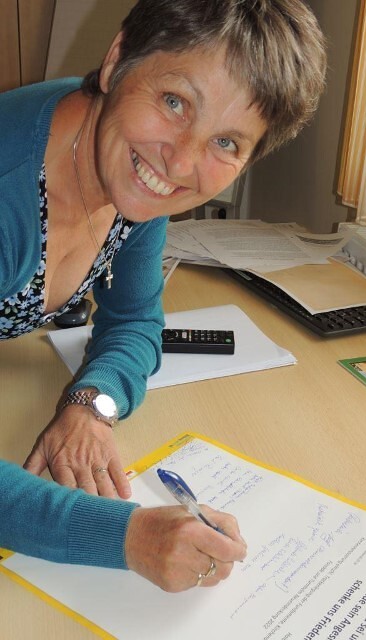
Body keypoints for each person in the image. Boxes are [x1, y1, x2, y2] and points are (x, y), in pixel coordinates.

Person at [0, 0, 327, 590]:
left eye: (226, 142)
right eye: (174, 102)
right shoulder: (10, 192)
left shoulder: (134, 181)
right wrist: (124, 536)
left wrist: (92, 405)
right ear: (117, 60)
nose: (181, 162)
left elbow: (134, 321)